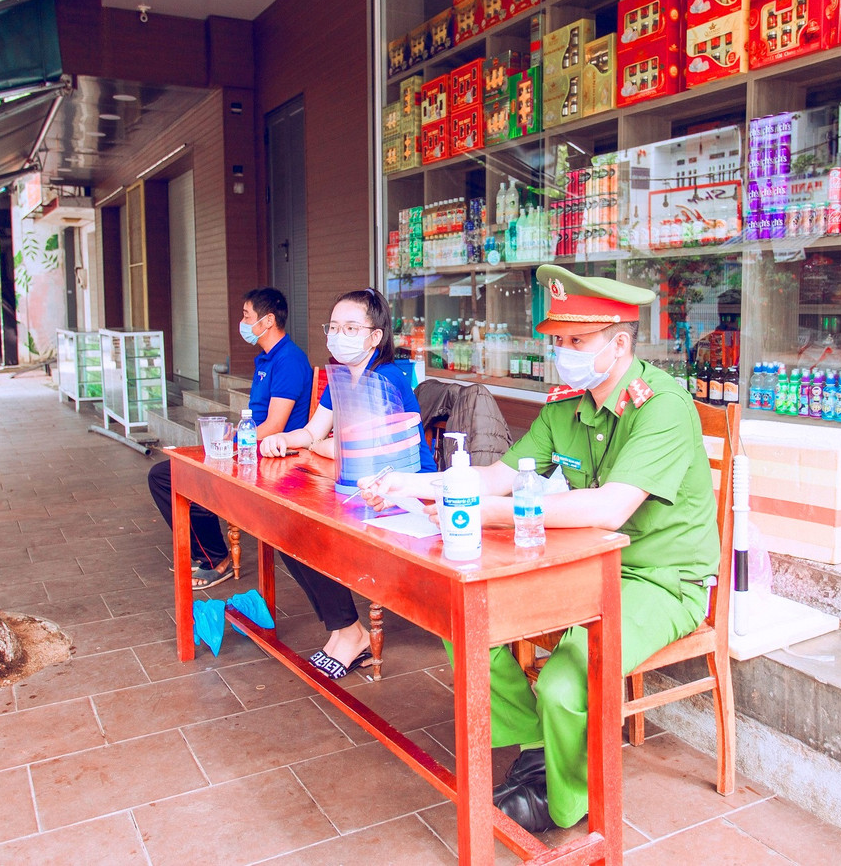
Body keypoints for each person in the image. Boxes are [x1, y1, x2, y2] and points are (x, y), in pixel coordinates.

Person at [361, 264, 719, 833]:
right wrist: (413, 484)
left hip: (659, 578)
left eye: (578, 341)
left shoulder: (662, 407)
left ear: (619, 343)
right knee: (471, 626)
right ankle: (536, 747)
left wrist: (487, 512)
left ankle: (565, 797)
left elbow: (606, 509)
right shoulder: (565, 406)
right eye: (558, 340)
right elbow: (498, 477)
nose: (564, 352)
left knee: (565, 677)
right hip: (582, 564)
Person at [259, 288, 434, 679]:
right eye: (334, 327)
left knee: (311, 530)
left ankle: (350, 634)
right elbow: (313, 433)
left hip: (406, 493)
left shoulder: (384, 379)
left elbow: (362, 452)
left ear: (375, 336)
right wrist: (284, 440)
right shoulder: (341, 378)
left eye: (352, 327)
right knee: (286, 527)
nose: (340, 335)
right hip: (364, 486)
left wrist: (327, 445)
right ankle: (345, 630)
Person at [148, 287, 313, 589]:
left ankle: (214, 558)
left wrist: (232, 444)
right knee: (167, 474)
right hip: (251, 447)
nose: (243, 322)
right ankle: (208, 554)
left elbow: (275, 426)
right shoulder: (266, 359)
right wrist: (232, 437)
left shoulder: (288, 360)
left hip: (272, 455)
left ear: (268, 320)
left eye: (247, 316)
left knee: (173, 477)